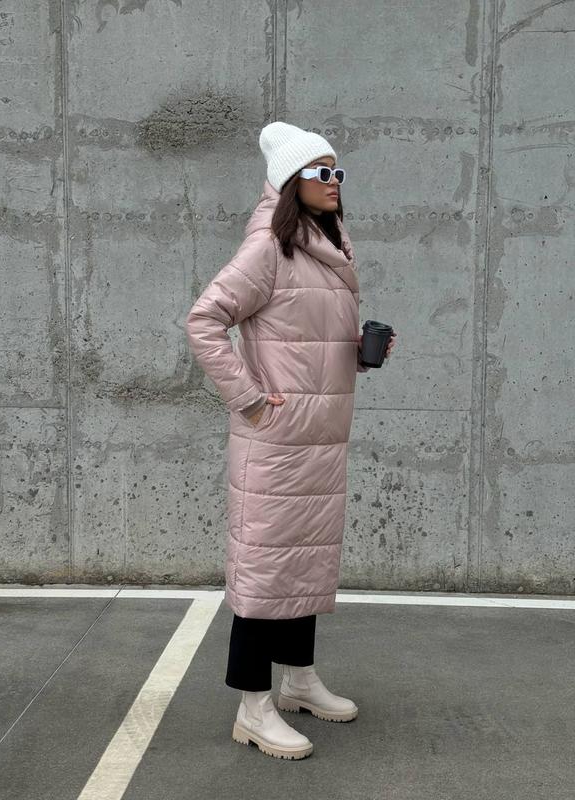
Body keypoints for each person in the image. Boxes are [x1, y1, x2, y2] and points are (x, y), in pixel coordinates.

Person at [185, 121, 397, 760]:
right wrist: (249, 397)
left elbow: (301, 339)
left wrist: (357, 354)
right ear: (289, 182)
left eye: (338, 172)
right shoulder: (268, 249)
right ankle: (253, 706)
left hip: (319, 440)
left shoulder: (327, 246)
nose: (334, 183)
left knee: (302, 563)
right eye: (321, 172)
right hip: (277, 444)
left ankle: (299, 680)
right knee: (265, 571)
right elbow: (204, 320)